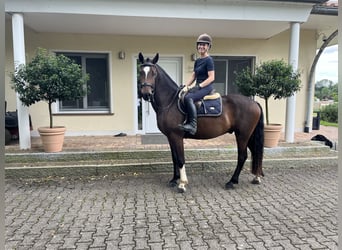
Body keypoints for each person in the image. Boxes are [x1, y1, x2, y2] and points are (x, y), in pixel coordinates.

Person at [179, 33, 215, 135]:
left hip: (206, 87)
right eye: (200, 44)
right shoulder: (198, 61)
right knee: (184, 95)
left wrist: (199, 86)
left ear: (208, 47)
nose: (201, 47)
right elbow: (193, 76)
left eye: (204, 45)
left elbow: (212, 77)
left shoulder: (209, 60)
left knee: (188, 98)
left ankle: (192, 125)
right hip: (198, 86)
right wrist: (185, 86)